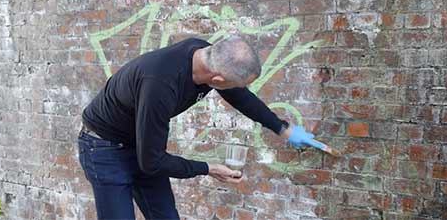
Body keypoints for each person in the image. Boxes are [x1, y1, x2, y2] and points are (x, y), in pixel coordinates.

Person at [77, 35, 320, 220]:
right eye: (234, 84)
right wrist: (207, 168)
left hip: (142, 143)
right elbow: (152, 162)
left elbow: (240, 96)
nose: (237, 89)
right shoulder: (160, 85)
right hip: (104, 148)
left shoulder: (205, 54)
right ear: (217, 81)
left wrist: (282, 129)